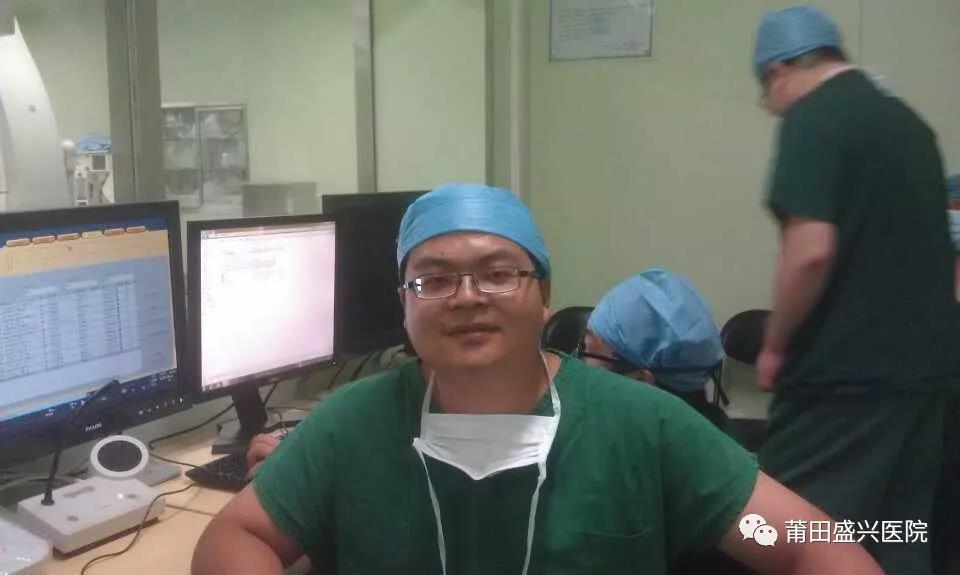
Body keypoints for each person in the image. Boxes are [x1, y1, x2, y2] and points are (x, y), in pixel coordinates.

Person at [193, 183, 882, 575]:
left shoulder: (641, 425)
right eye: (433, 279)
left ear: (544, 296)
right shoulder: (351, 424)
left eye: (498, 273)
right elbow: (235, 537)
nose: (467, 297)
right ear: (404, 304)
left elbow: (807, 545)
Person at [752, 6, 960, 574]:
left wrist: (774, 345)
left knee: (785, 533)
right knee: (896, 533)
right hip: (925, 378)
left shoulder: (815, 117)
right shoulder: (909, 124)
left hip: (843, 383)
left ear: (779, 71)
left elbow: (810, 251)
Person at [577, 269, 728, 429]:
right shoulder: (701, 429)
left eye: (586, 348)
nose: (578, 361)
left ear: (640, 381)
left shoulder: (620, 440)